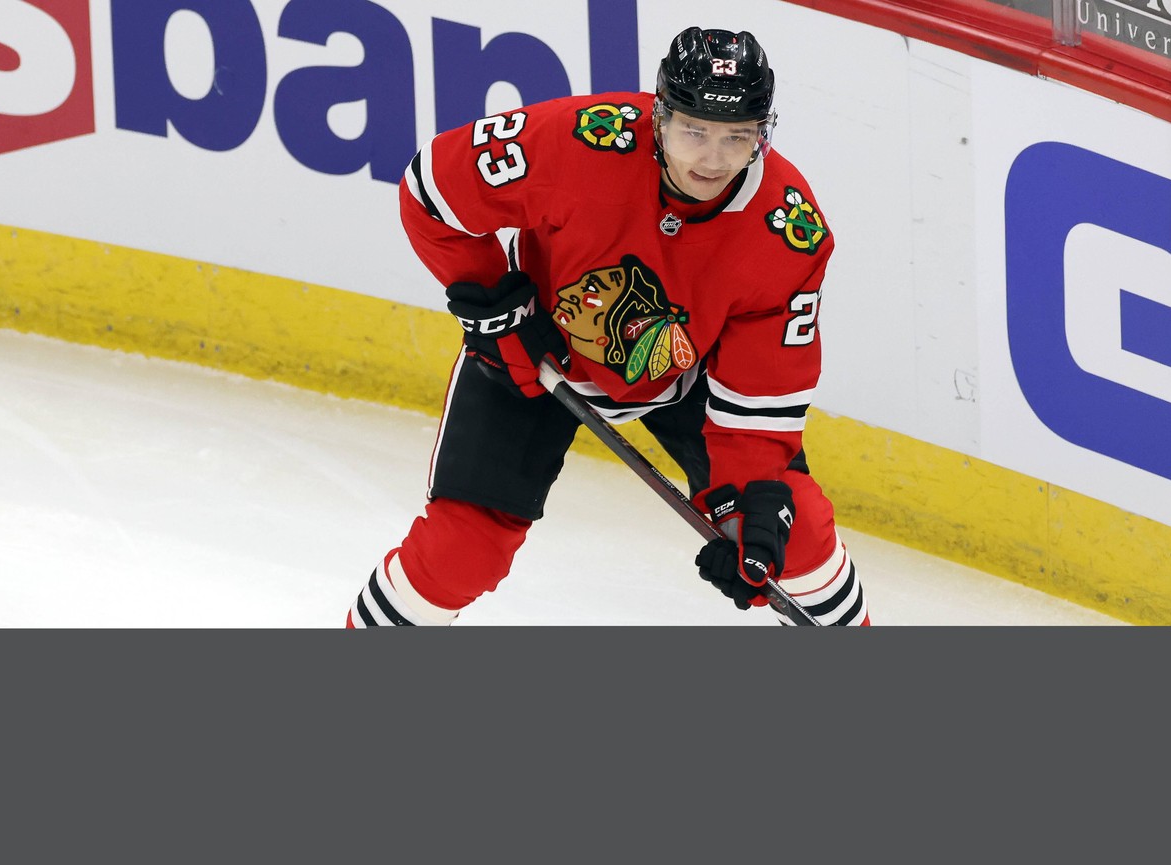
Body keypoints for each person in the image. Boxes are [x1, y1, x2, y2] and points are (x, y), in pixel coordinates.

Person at [346, 26, 869, 626]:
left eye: (737, 137)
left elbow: (759, 395)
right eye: (694, 130)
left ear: (763, 135)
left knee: (791, 531)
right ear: (659, 116)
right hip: (534, 346)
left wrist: (741, 507)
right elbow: (433, 189)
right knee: (463, 551)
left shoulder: (788, 231)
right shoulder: (581, 142)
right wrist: (492, 299)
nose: (713, 158)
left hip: (685, 365)